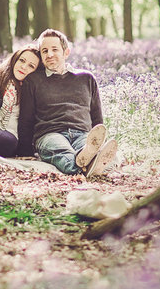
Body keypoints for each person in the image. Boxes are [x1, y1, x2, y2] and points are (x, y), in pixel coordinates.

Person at [17, 29, 118, 179]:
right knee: (60, 150)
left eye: (54, 49)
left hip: (82, 134)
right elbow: (26, 119)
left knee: (101, 153)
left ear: (66, 52)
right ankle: (85, 165)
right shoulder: (33, 81)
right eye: (45, 51)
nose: (49, 54)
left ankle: (87, 159)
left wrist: (98, 138)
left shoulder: (86, 78)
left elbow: (97, 116)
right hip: (50, 134)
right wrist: (25, 151)